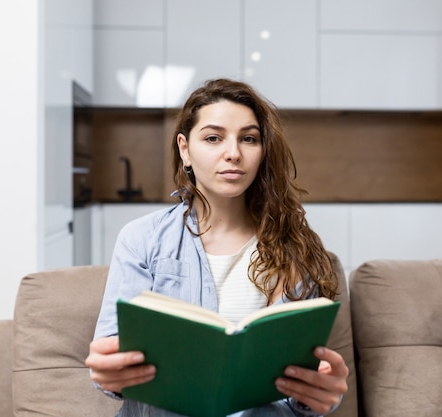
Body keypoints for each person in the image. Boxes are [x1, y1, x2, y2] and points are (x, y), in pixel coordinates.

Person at [84, 78, 349, 417]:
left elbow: (303, 390)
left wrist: (321, 393)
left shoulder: (297, 246)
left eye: (249, 139)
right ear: (185, 149)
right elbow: (111, 365)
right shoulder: (142, 239)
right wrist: (111, 372)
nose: (234, 153)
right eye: (213, 138)